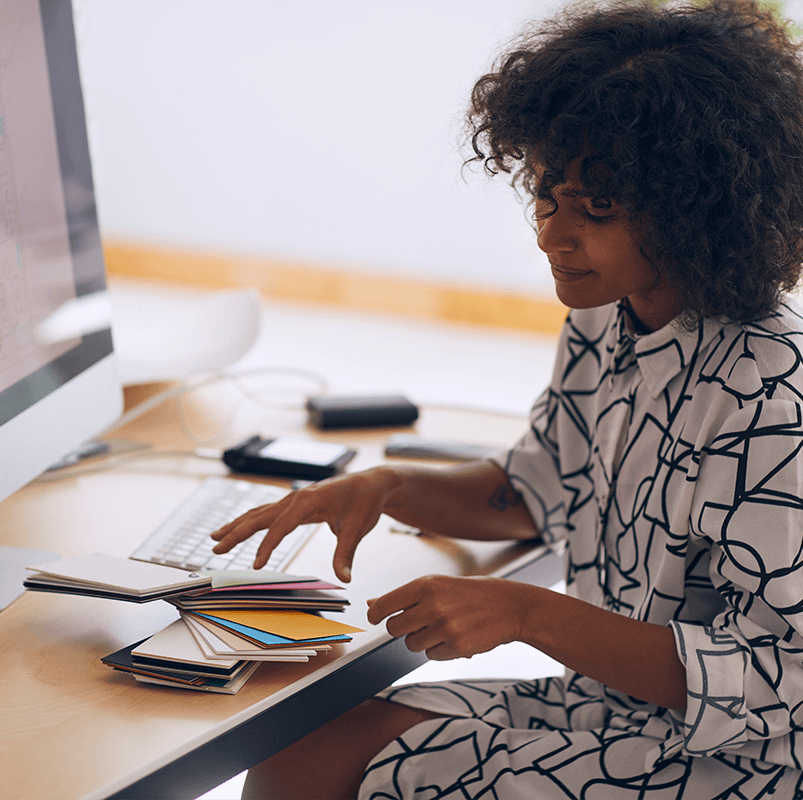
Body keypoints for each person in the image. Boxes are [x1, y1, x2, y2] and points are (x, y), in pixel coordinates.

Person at [210, 0, 803, 797]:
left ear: (695, 209)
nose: (550, 236)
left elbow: (780, 684)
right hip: (620, 711)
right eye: (545, 194)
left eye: (596, 210)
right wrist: (385, 487)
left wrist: (526, 615)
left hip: (743, 764)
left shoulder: (770, 392)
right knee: (303, 741)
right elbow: (532, 490)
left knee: (315, 763)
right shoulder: (605, 321)